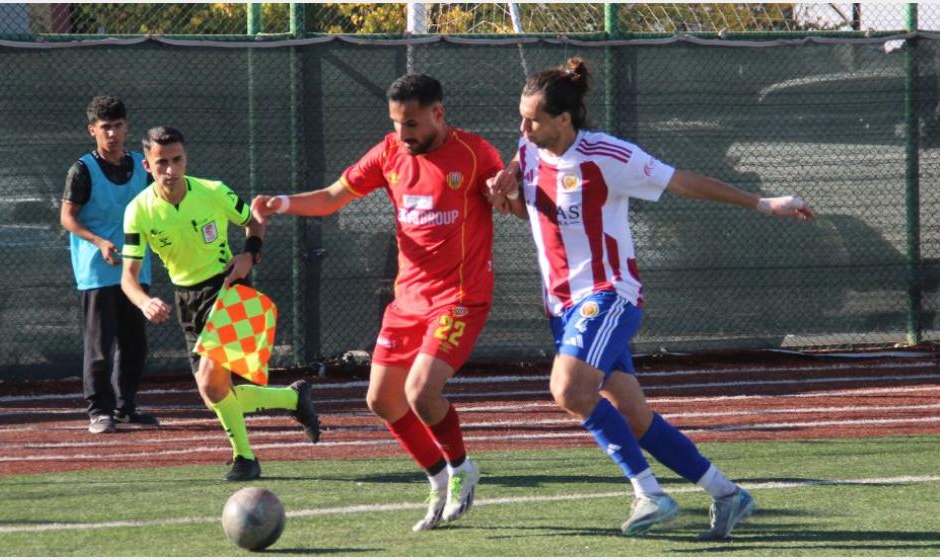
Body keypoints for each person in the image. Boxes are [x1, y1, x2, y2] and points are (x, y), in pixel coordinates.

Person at [486, 58, 814, 540]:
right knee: (635, 418)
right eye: (521, 116)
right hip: (562, 306)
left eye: (533, 118)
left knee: (570, 391)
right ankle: (727, 494)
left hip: (608, 294)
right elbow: (537, 209)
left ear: (564, 119)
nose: (523, 126)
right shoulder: (528, 149)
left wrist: (763, 203)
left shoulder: (608, 156)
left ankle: (649, 493)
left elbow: (683, 182)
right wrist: (507, 190)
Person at [251, 74, 505, 531]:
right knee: (382, 400)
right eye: (396, 123)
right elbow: (331, 198)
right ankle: (437, 478)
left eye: (411, 123)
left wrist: (512, 193)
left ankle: (463, 467)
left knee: (421, 391)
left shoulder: (475, 154)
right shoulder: (389, 152)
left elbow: (515, 203)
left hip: (460, 297)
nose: (403, 134)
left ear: (438, 114)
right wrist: (281, 204)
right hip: (407, 300)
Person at [120, 126, 321, 482]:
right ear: (147, 166)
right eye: (161, 162)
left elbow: (254, 221)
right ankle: (292, 400)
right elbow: (128, 277)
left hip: (228, 288)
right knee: (214, 392)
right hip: (187, 302)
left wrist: (250, 255)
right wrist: (144, 302)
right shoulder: (138, 211)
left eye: (177, 159)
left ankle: (245, 459)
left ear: (186, 158)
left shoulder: (213, 191)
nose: (171, 169)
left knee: (214, 385)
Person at [61, 95, 159, 434]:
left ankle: (125, 406)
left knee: (134, 343)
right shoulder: (82, 170)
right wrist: (99, 241)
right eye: (105, 127)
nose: (113, 133)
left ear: (126, 126)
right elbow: (67, 218)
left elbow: (155, 207)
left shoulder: (142, 166)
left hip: (136, 268)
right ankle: (99, 410)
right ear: (93, 130)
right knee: (100, 345)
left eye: (118, 126)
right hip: (97, 271)